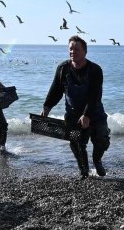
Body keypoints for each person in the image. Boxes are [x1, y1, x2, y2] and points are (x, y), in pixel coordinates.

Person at [41, 35, 111, 178]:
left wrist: (87, 115)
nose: (72, 52)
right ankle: (84, 171)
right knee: (76, 144)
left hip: (95, 113)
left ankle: (97, 161)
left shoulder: (95, 70)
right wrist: (47, 107)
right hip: (72, 114)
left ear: (85, 52)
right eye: (70, 49)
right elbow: (55, 90)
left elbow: (95, 95)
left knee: (102, 141)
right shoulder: (62, 68)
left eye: (76, 49)